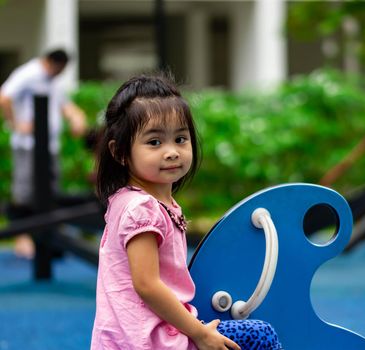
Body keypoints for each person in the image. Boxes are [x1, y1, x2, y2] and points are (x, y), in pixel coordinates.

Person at [90, 73, 282, 350]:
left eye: (180, 139)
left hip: (134, 336)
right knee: (260, 335)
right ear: (120, 153)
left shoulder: (129, 200)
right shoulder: (142, 208)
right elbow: (147, 284)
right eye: (154, 142)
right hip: (149, 340)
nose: (171, 152)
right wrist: (199, 333)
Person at [0, 48, 87, 258]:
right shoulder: (28, 74)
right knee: (24, 192)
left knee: (50, 191)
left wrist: (76, 116)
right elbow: (4, 96)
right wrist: (15, 124)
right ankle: (22, 238)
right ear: (51, 62)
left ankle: (48, 237)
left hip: (50, 146)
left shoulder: (52, 80)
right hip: (28, 146)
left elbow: (64, 104)